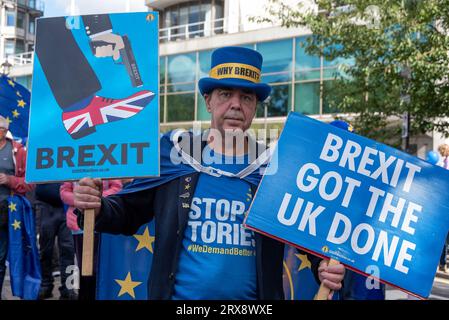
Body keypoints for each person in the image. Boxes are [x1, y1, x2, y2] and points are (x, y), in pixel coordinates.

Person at [73, 46, 345, 300]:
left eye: (246, 97)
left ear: (254, 107)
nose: (236, 105)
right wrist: (96, 207)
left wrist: (323, 266)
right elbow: (127, 212)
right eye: (225, 94)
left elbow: (309, 235)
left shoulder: (275, 168)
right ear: (208, 101)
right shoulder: (174, 154)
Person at [60, 179, 122, 299]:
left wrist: (96, 199)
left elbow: (117, 188)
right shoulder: (72, 168)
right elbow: (64, 192)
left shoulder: (110, 164)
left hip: (104, 225)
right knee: (79, 268)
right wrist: (81, 200)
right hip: (77, 226)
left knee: (100, 267)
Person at [0, 116, 34, 299]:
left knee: (7, 255)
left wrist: (10, 180)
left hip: (9, 212)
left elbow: (30, 183)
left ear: (5, 131)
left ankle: (19, 291)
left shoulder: (18, 151)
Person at [34, 183, 77, 300]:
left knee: (68, 250)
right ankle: (45, 285)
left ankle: (68, 288)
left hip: (68, 206)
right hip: (44, 205)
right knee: (45, 249)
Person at [438, 143, 449, 272]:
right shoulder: (443, 163)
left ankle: (442, 263)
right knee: (443, 238)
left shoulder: (443, 163)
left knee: (443, 238)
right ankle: (442, 263)